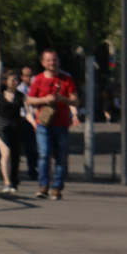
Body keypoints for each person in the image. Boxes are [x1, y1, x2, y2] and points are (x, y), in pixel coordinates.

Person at [26, 49, 80, 200]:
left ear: (58, 61)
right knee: (43, 154)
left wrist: (63, 99)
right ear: (43, 63)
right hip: (43, 123)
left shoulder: (67, 79)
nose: (52, 63)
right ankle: (43, 186)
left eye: (54, 60)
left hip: (61, 124)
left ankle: (57, 187)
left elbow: (75, 101)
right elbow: (29, 100)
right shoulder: (37, 79)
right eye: (49, 60)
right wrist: (44, 100)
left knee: (60, 157)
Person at [0, 69, 26, 193]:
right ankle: (7, 182)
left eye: (17, 80)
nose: (15, 82)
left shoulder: (21, 95)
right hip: (0, 126)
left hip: (15, 126)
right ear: (5, 82)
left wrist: (33, 122)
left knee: (15, 156)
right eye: (13, 80)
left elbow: (28, 112)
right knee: (6, 153)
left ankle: (13, 179)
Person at [16, 66, 38, 180]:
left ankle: (34, 168)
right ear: (22, 77)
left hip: (36, 119)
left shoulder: (36, 87)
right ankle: (28, 169)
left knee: (35, 146)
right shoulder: (19, 89)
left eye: (30, 75)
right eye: (26, 75)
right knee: (25, 146)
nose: (29, 78)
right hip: (24, 120)